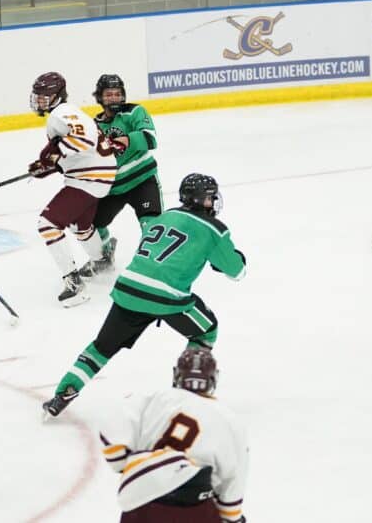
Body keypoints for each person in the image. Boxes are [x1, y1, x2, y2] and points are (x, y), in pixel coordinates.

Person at [43, 173, 246, 418]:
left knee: (101, 348)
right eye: (211, 197)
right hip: (167, 298)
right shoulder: (214, 229)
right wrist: (237, 259)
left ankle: (63, 393)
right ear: (202, 199)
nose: (213, 201)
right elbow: (237, 271)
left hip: (128, 289)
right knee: (206, 331)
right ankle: (188, 390)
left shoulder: (165, 216)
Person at [98, 348, 248, 523]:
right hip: (195, 509)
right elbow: (233, 479)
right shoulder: (229, 419)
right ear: (213, 378)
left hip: (144, 501)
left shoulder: (154, 398)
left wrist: (124, 464)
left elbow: (112, 423)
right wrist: (231, 517)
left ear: (177, 374)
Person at [27, 71, 118, 307]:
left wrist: (53, 155)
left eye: (44, 97)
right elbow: (76, 151)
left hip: (89, 177)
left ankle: (74, 284)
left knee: (48, 224)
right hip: (95, 175)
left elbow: (85, 141)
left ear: (57, 96)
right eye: (38, 97)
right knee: (80, 225)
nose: (39, 102)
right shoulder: (67, 113)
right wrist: (48, 166)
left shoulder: (61, 113)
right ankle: (102, 261)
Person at [89, 74, 163, 273]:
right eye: (109, 94)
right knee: (91, 224)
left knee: (152, 226)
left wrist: (126, 140)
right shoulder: (93, 127)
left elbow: (150, 138)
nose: (114, 98)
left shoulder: (134, 111)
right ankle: (105, 255)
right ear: (99, 97)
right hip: (114, 188)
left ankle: (152, 267)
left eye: (117, 94)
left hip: (142, 180)